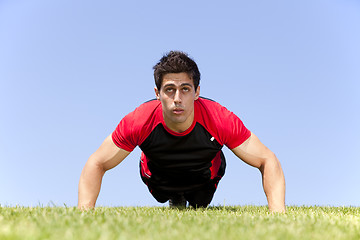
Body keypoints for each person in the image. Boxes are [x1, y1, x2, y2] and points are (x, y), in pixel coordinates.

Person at [78, 51, 286, 212]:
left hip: (202, 176)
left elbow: (267, 159)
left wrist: (278, 215)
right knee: (162, 194)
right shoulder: (139, 121)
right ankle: (174, 196)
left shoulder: (219, 119)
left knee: (200, 203)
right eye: (169, 89)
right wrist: (84, 216)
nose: (177, 98)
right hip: (160, 177)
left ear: (197, 92)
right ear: (157, 94)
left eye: (185, 89)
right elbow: (97, 162)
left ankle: (190, 195)